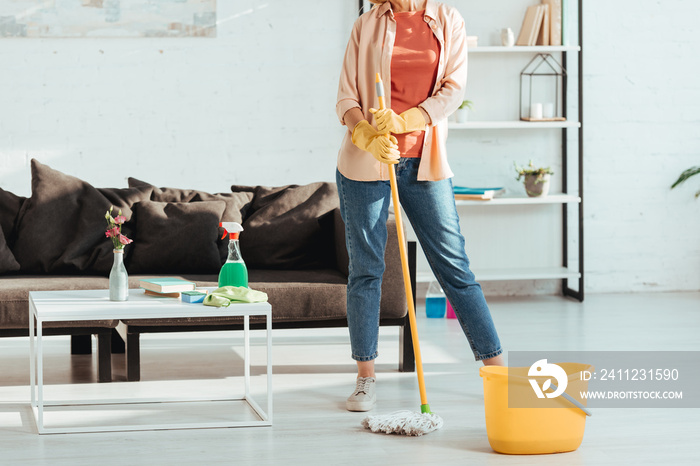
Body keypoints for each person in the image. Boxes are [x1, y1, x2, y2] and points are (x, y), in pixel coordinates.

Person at [335, 0, 504, 412]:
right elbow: (345, 99)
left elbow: (453, 89)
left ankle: (498, 373)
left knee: (455, 268)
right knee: (367, 270)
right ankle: (365, 378)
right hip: (365, 164)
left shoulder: (448, 20)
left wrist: (405, 121)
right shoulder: (366, 24)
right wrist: (367, 136)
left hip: (425, 162)